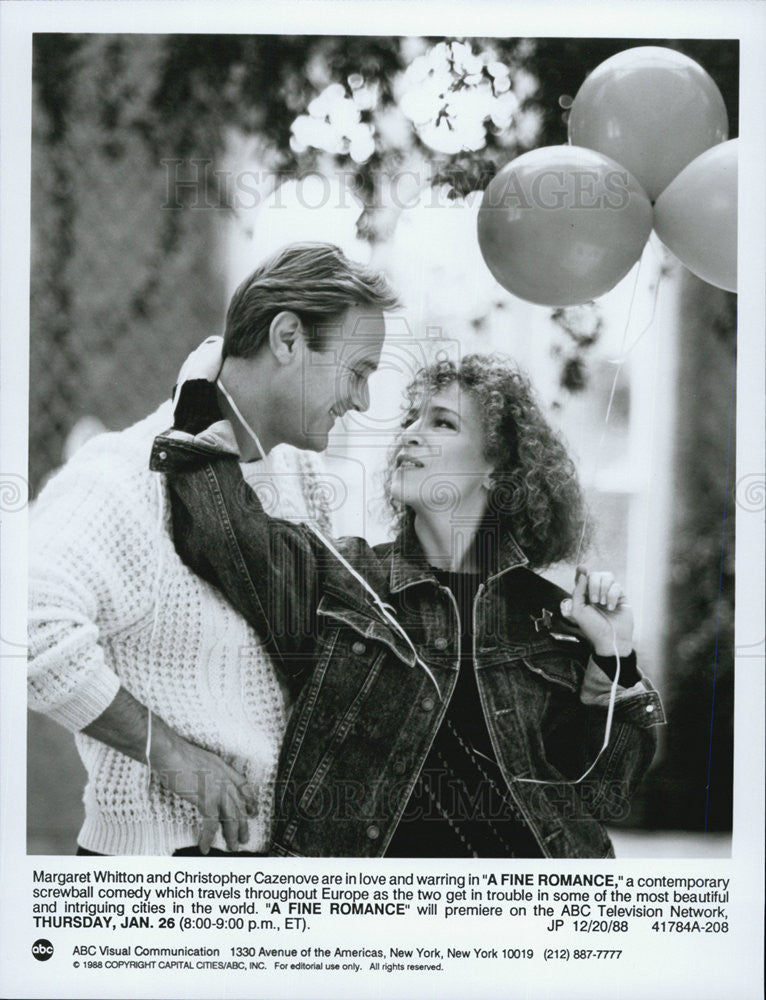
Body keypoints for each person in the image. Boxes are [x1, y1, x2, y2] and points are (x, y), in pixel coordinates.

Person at [151, 353, 665, 858]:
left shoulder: (553, 616)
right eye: (411, 420)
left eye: (442, 422)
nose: (411, 433)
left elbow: (603, 793)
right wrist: (199, 396)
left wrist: (612, 656)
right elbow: (226, 534)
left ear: (498, 468)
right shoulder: (347, 577)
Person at [28, 242, 398, 855]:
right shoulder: (122, 475)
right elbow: (30, 624)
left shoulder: (299, 485)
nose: (362, 401)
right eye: (358, 371)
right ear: (287, 339)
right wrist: (168, 753)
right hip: (158, 873)